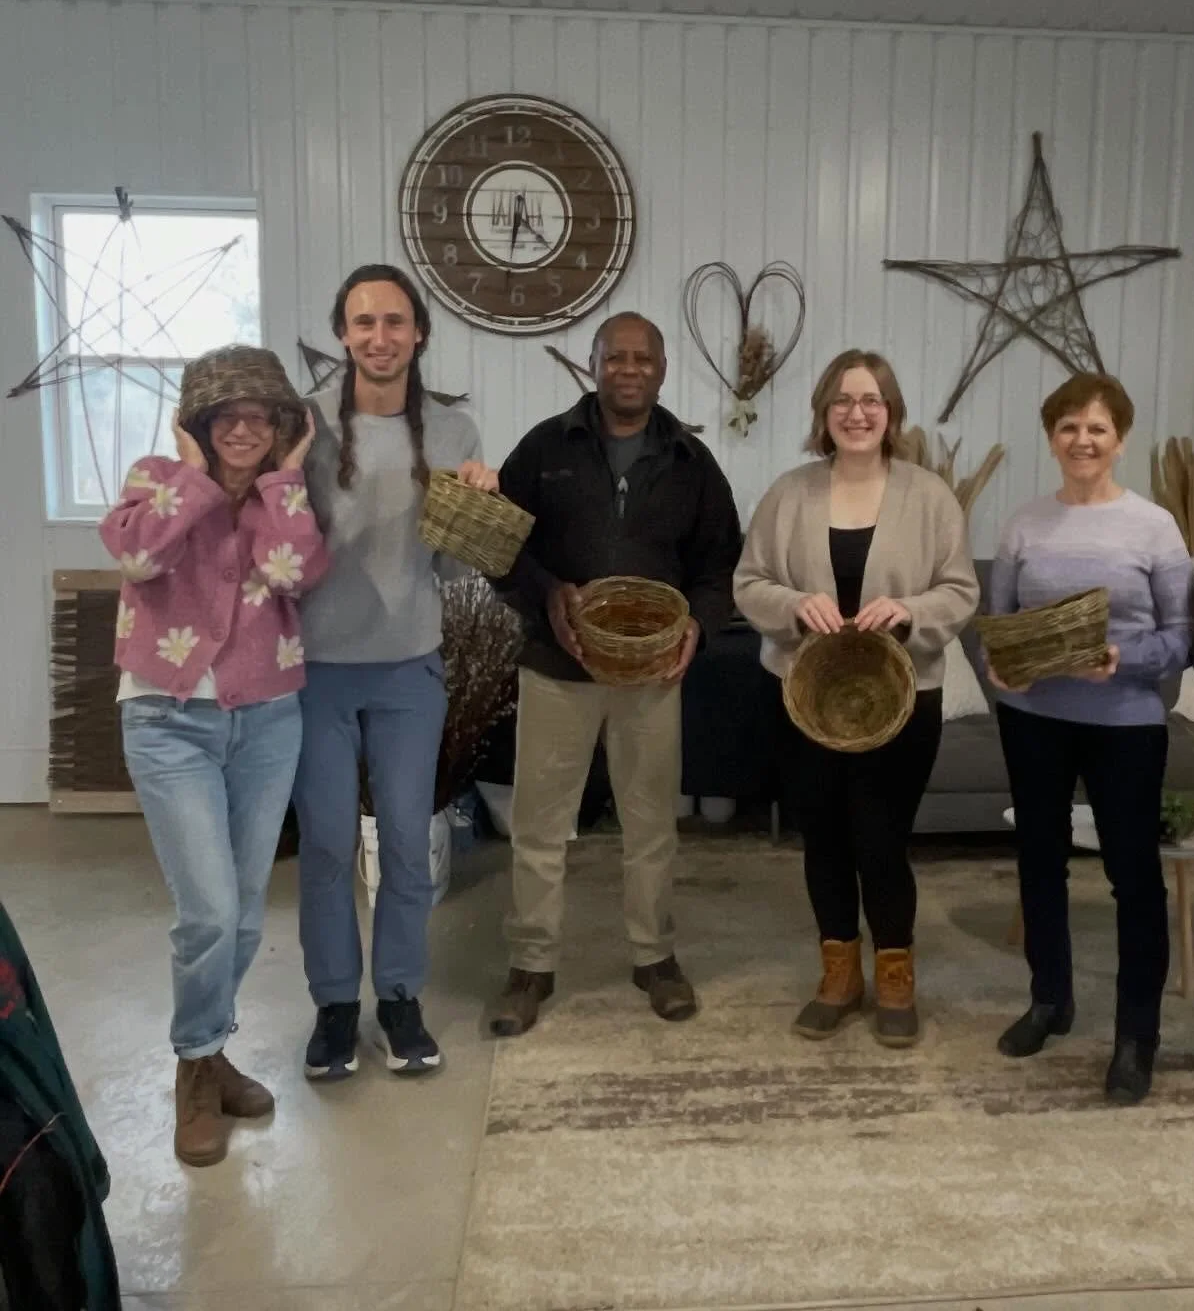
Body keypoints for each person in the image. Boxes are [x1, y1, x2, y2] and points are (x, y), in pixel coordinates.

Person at [100, 344, 328, 1166]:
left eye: (259, 415)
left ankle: (210, 1048)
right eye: (225, 414)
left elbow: (296, 571)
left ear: (281, 426)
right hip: (169, 722)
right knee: (205, 910)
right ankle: (194, 1070)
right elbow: (135, 555)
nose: (242, 428)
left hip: (268, 720)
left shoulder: (281, 496)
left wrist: (287, 476)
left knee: (238, 912)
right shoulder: (156, 479)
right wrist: (193, 478)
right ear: (199, 422)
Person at [488, 312, 742, 1037]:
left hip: (652, 674)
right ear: (592, 364)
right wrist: (545, 593)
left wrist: (699, 621)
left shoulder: (692, 462)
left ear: (661, 370)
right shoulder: (544, 448)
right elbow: (499, 542)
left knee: (651, 824)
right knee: (539, 824)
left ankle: (654, 957)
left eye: (643, 359)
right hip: (555, 668)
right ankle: (530, 967)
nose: (628, 370)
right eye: (614, 357)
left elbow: (721, 562)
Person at [734, 350, 979, 1047]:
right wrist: (792, 602)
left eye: (871, 399)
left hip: (902, 699)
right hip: (800, 696)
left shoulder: (929, 497)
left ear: (891, 413)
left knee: (881, 839)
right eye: (842, 400)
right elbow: (749, 582)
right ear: (824, 414)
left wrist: (906, 610)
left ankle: (895, 972)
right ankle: (838, 973)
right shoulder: (790, 493)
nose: (857, 412)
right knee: (824, 839)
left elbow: (961, 591)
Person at [292, 264, 496, 1081]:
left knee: (409, 843)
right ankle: (336, 1006)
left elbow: (449, 572)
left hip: (410, 669)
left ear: (418, 335)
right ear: (342, 332)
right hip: (314, 674)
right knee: (327, 849)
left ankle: (401, 997)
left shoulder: (453, 433)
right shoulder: (304, 427)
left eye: (395, 323)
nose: (380, 337)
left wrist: (475, 505)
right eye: (363, 322)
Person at [988, 372, 1194, 1105]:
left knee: (1132, 878)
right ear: (1051, 438)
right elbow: (999, 627)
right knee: (1038, 863)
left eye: (1098, 428)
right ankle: (1051, 1001)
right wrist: (1001, 671)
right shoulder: (1022, 524)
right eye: (1069, 426)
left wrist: (1124, 660)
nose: (1083, 439)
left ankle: (1137, 1036)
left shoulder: (1155, 528)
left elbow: (1181, 640)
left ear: (1121, 439)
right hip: (1035, 721)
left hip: (1126, 726)